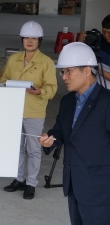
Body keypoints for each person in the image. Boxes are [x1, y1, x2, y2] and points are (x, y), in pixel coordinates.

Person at [39, 42, 110, 225]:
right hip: (73, 184)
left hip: (101, 189)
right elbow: (60, 130)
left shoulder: (107, 102)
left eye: (69, 71)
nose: (64, 77)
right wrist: (51, 140)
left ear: (86, 70)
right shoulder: (67, 101)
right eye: (63, 72)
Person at [0, 21, 57, 199]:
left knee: (33, 149)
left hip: (34, 112)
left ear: (39, 40)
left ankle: (31, 183)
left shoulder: (46, 62)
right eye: (26, 38)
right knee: (17, 148)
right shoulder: (13, 60)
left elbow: (52, 88)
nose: (30, 41)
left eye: (34, 38)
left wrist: (40, 91)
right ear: (22, 40)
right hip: (15, 110)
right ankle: (19, 179)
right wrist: (6, 85)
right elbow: (3, 79)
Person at [77, 14, 110, 84]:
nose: (106, 35)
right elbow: (77, 57)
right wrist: (80, 42)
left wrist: (97, 70)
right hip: (94, 84)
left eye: (109, 32)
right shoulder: (97, 40)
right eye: (104, 31)